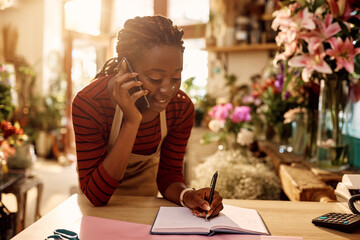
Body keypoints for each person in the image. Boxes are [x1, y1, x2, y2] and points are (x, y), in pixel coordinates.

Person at [72, 15, 223, 219]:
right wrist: (132, 121)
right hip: (97, 211)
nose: (167, 90)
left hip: (144, 209)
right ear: (126, 69)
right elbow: (96, 195)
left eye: (176, 77)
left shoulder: (180, 107)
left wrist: (187, 196)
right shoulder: (90, 104)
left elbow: (169, 175)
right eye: (155, 78)